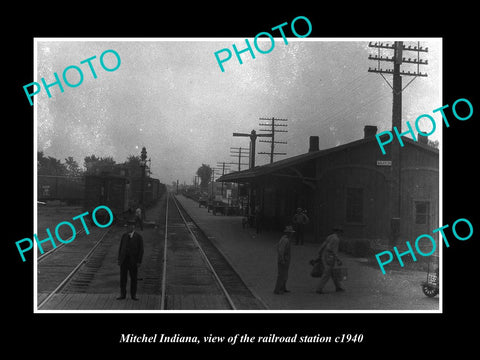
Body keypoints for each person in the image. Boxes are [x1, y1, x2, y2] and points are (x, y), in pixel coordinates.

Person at [117, 222, 144, 300]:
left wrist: (139, 261)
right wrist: (119, 259)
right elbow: (121, 248)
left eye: (129, 227)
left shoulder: (138, 237)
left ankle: (133, 295)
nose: (127, 228)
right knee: (123, 279)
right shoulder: (124, 236)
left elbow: (141, 250)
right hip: (124, 261)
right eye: (127, 227)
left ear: (133, 227)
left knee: (134, 279)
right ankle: (122, 294)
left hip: (133, 261)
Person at [316, 226, 345, 294]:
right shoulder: (336, 239)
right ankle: (319, 288)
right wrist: (338, 259)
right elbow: (334, 251)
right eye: (340, 232)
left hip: (326, 254)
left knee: (333, 272)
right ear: (339, 232)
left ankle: (338, 286)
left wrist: (320, 253)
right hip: (331, 256)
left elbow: (323, 245)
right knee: (327, 272)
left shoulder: (330, 236)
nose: (341, 234)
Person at [274, 225, 295, 294]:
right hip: (284, 259)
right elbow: (281, 250)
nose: (292, 234)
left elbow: (278, 247)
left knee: (285, 274)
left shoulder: (284, 238)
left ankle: (283, 288)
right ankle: (278, 289)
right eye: (291, 232)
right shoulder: (285, 240)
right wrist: (282, 259)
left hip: (286, 259)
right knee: (281, 275)